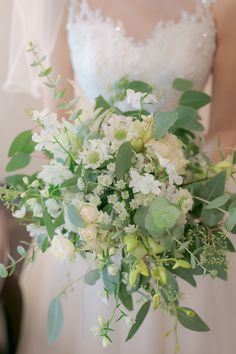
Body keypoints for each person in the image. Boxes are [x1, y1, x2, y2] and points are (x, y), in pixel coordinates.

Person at [4, 0, 236, 353]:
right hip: (93, 216)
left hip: (188, 208)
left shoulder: (222, 5)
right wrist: (103, 210)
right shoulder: (63, 6)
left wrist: (186, 204)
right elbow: (59, 127)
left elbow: (225, 127)